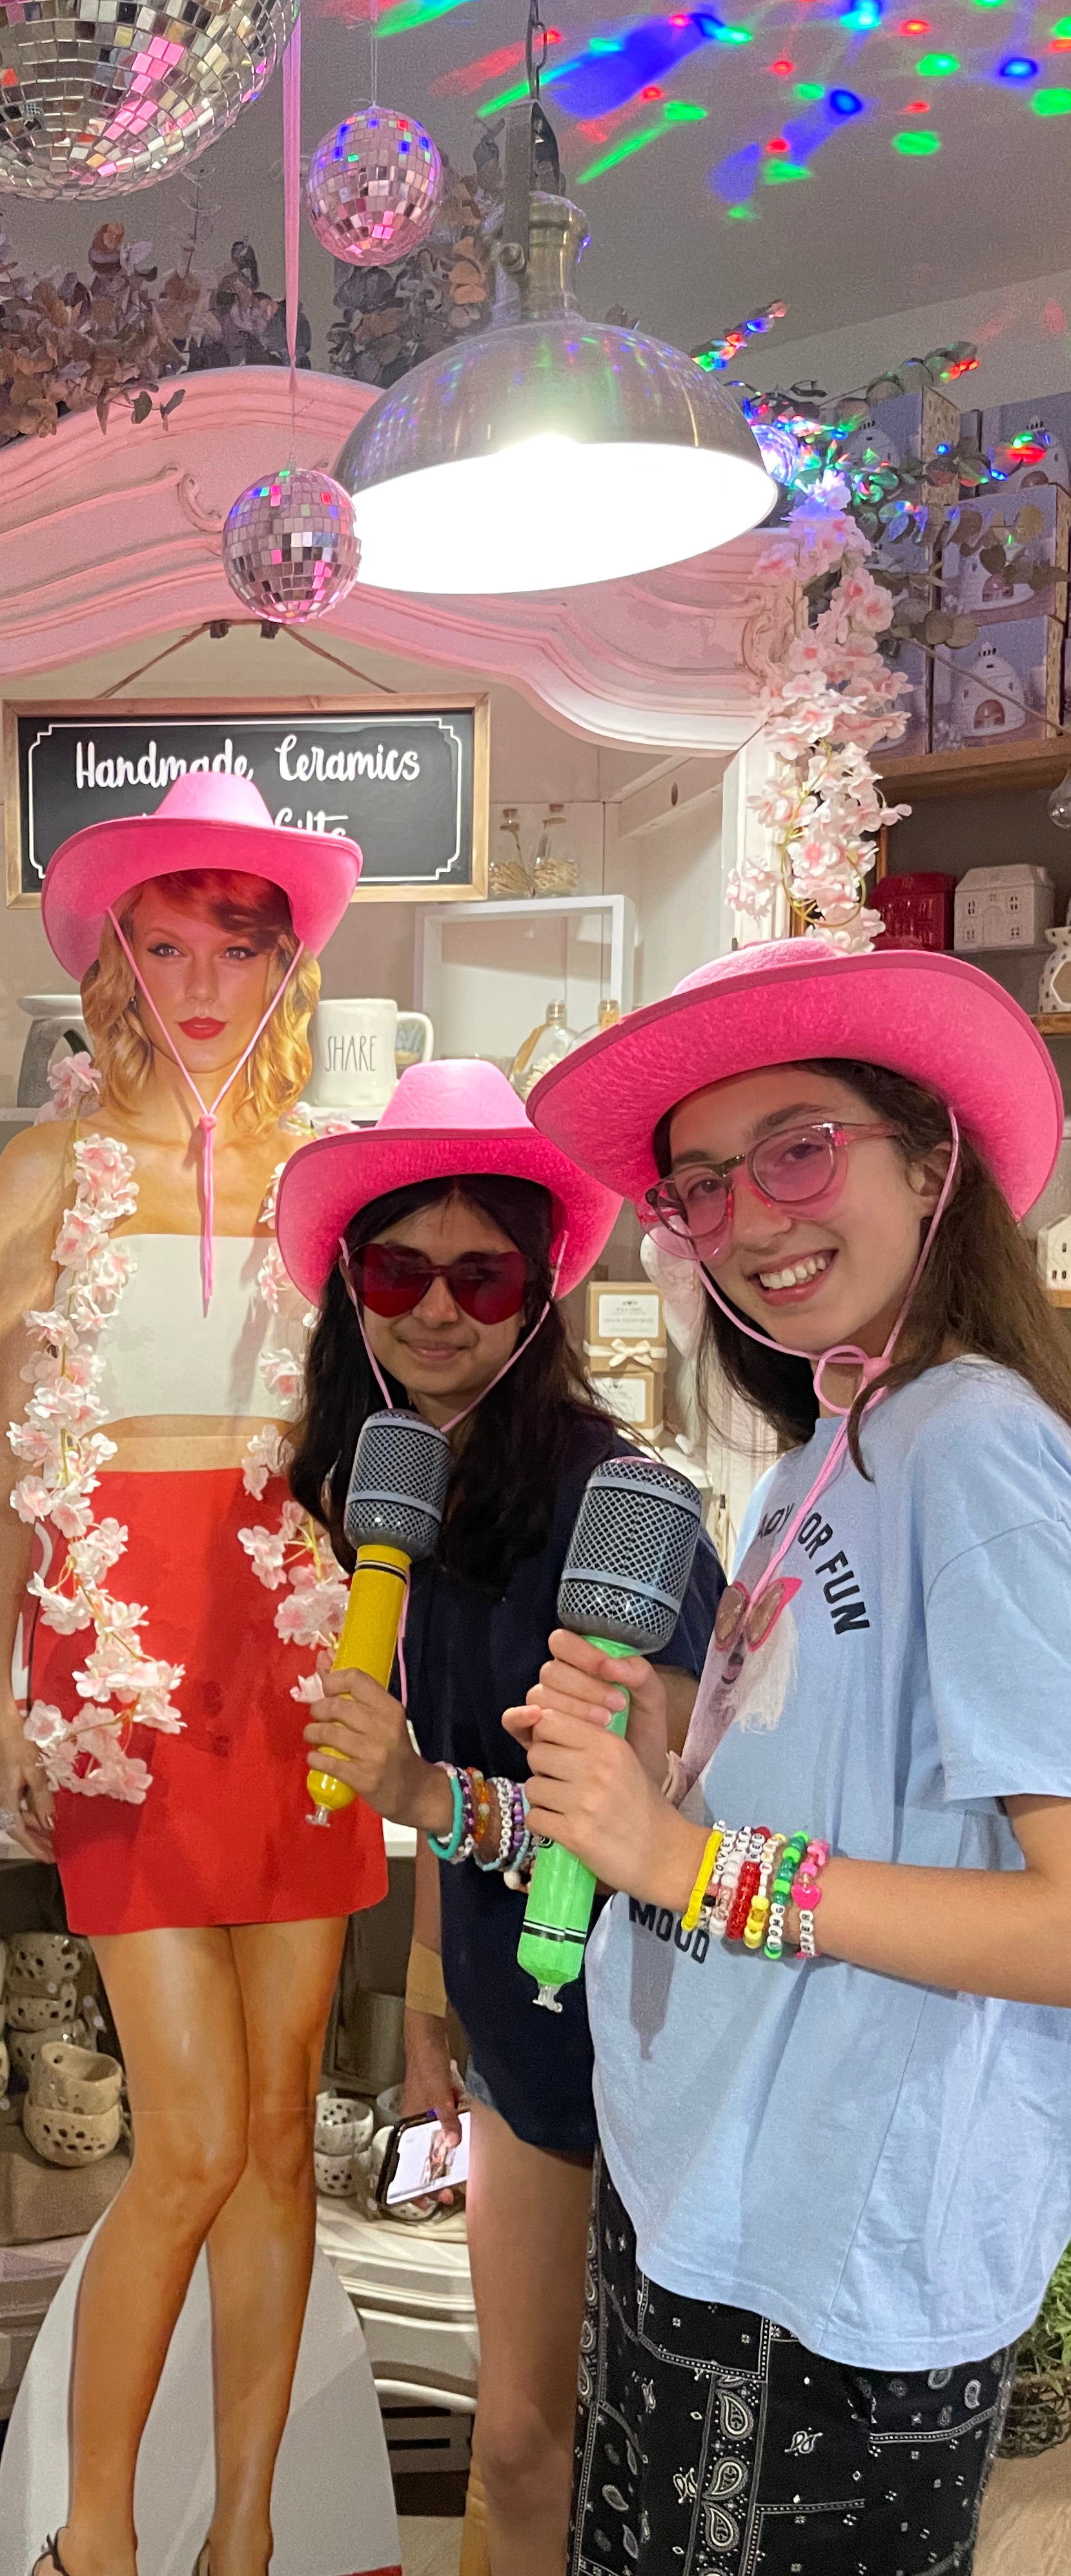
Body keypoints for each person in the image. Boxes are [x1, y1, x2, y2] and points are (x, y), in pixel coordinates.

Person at [515, 934, 1071, 2576]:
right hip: (710, 2195)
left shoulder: (978, 1454)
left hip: (834, 2261)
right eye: (701, 1185)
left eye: (801, 1149)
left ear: (933, 1163)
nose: (752, 1219)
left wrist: (686, 1860)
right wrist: (664, 1743)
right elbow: (832, 1771)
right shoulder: (828, 1450)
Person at [0, 772, 388, 2576]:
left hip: (293, 1645)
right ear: (117, 962)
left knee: (280, 2131)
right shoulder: (45, 1165)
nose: (202, 983)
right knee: (194, 2134)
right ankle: (97, 2535)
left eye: (236, 945)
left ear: (284, 962)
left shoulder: (335, 1167)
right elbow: (4, 1446)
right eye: (168, 945)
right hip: (120, 1665)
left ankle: (244, 2538)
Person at [274, 1060, 723, 2576]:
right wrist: (431, 2015)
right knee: (520, 2434)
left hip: (649, 2035)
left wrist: (417, 1793)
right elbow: (455, 1794)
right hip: (513, 2026)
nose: (437, 1310)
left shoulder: (616, 1506)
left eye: (483, 1275)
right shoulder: (406, 1496)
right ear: (353, 1287)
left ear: (542, 1294)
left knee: (621, 2449)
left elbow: (651, 1834)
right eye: (400, 1270)